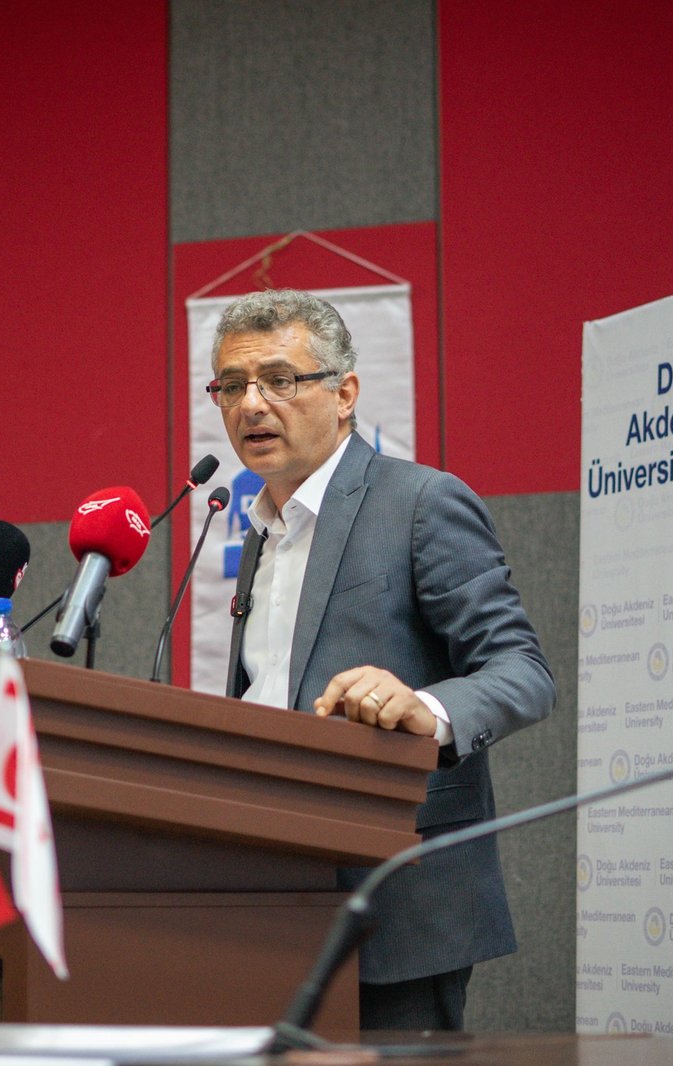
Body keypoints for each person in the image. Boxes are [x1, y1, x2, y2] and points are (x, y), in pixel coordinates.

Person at [209, 288, 555, 1031]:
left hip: (397, 899)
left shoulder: (421, 503)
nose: (251, 405)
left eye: (279, 379)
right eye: (232, 386)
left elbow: (523, 673)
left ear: (345, 395)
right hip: (271, 895)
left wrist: (424, 708)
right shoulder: (260, 535)